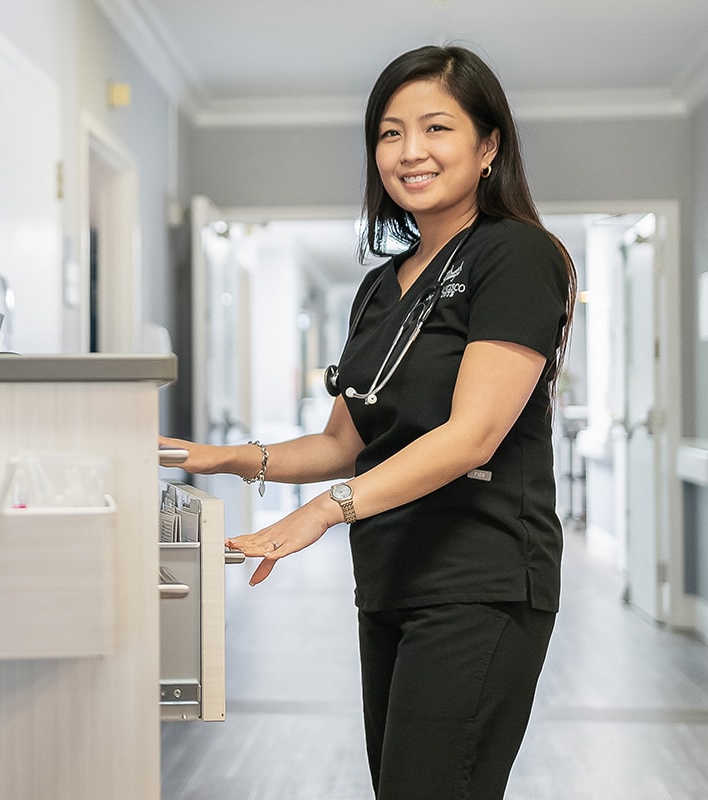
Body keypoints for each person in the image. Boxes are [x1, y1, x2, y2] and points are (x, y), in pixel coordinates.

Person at [161, 44, 576, 799]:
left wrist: (325, 510)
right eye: (389, 133)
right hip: (390, 576)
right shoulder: (380, 288)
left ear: (488, 146)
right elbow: (340, 441)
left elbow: (472, 435)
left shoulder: (515, 256)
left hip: (478, 579)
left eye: (435, 129)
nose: (409, 152)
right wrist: (218, 458)